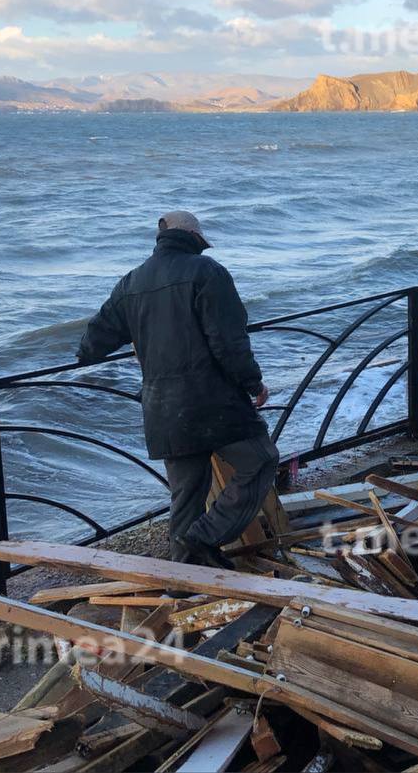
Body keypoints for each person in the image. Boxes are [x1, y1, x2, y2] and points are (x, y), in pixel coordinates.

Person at [76, 211, 279, 570]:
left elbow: (92, 344)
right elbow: (229, 342)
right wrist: (254, 383)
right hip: (215, 403)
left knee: (185, 494)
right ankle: (203, 537)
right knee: (260, 460)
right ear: (195, 240)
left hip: (163, 409)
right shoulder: (207, 272)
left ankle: (182, 579)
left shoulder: (131, 283)